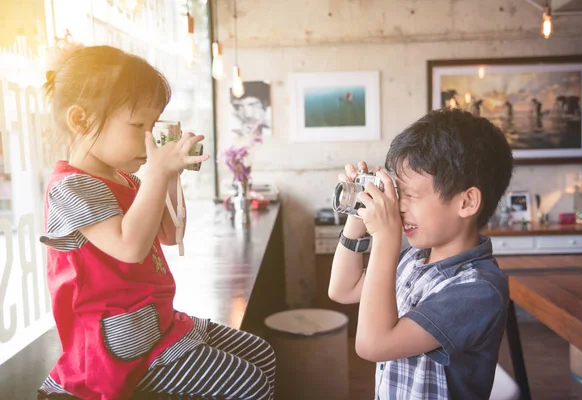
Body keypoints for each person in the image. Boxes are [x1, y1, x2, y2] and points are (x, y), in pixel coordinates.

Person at [38, 44, 275, 400]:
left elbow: (170, 232)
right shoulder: (71, 185)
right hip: (118, 346)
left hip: (156, 324)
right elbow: (130, 246)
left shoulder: (126, 179)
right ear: (80, 120)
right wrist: (158, 171)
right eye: (138, 125)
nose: (150, 138)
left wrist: (170, 175)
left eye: (153, 126)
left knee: (262, 355)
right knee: (248, 383)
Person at [329, 108, 514, 399]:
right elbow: (343, 289)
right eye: (397, 194)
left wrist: (385, 239)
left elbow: (372, 345)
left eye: (410, 195)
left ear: (466, 202)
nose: (399, 207)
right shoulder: (414, 260)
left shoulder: (477, 290)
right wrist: (358, 214)